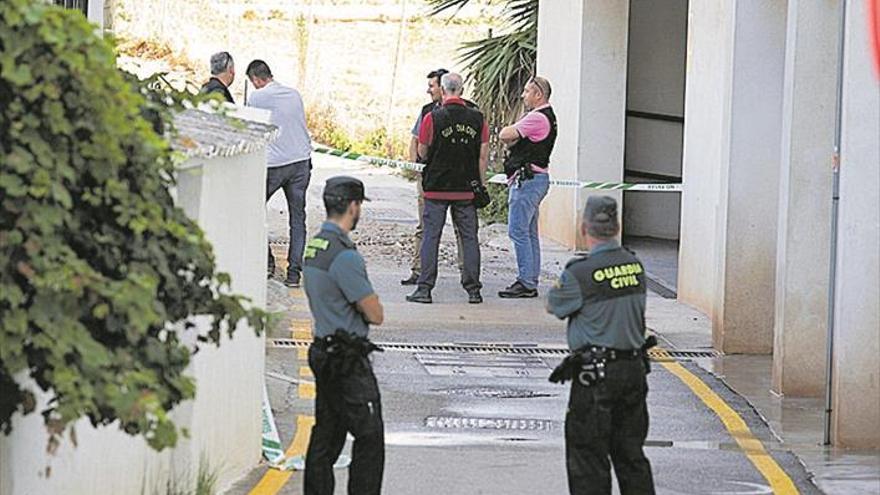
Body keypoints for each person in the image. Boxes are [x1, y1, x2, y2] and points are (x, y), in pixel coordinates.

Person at [545, 196, 655, 495]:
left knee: (588, 462)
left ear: (584, 228)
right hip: (633, 372)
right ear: (617, 226)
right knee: (631, 457)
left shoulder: (579, 273)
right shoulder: (635, 265)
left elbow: (555, 305)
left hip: (597, 379)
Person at [302, 176, 385, 495]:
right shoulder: (345, 255)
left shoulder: (315, 246)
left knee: (327, 435)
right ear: (353, 206)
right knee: (369, 437)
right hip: (348, 359)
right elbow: (375, 314)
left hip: (323, 349)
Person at [405, 72, 488, 305]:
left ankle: (425, 288)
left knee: (432, 236)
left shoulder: (432, 118)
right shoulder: (478, 118)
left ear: (443, 90)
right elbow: (483, 156)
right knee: (469, 238)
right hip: (466, 188)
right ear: (461, 90)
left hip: (436, 187)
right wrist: (480, 185)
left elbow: (422, 151)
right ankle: (473, 290)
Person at [246, 59, 312, 287]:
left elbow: (250, 126)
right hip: (301, 162)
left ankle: (268, 264)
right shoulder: (294, 94)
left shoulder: (257, 96)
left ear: (256, 79)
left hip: (274, 165)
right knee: (297, 218)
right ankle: (294, 274)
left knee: (253, 210)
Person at [401, 68, 468, 286]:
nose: (428, 91)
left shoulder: (468, 111)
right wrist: (416, 168)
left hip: (458, 178)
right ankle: (419, 271)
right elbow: (415, 140)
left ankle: (466, 273)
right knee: (425, 227)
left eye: (432, 86)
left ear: (444, 87)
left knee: (462, 229)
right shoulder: (427, 110)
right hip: (430, 178)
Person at [497, 76, 557, 298]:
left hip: (528, 182)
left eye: (526, 91)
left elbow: (506, 135)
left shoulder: (537, 118)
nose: (523, 95)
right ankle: (529, 280)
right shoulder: (545, 117)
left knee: (518, 231)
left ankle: (526, 282)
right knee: (529, 233)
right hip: (535, 180)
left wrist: (511, 128)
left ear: (538, 94)